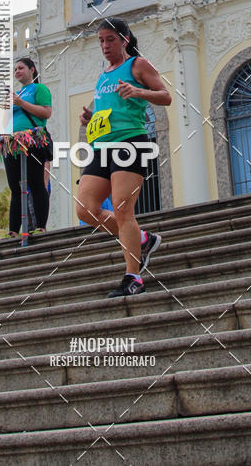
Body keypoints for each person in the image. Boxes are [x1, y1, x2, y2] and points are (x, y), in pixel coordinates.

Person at [76, 17, 171, 297]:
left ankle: (133, 277)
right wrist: (91, 118)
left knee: (122, 208)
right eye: (101, 41)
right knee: (85, 209)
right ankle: (142, 238)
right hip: (101, 147)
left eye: (110, 40)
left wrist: (138, 91)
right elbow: (112, 113)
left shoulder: (137, 65)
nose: (105, 46)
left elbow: (165, 96)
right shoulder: (103, 75)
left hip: (131, 143)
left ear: (124, 40)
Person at [2, 57, 52, 236]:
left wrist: (21, 103)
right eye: (15, 69)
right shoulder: (16, 94)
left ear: (32, 70)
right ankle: (13, 231)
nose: (17, 71)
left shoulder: (39, 89)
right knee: (15, 188)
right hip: (12, 144)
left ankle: (40, 226)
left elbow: (46, 112)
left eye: (21, 68)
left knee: (36, 183)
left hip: (33, 141)